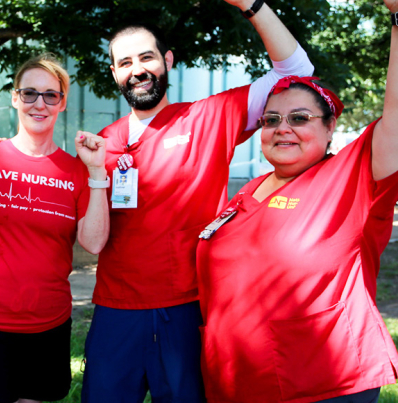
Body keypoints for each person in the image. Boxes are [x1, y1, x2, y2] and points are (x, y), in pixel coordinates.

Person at [196, 0, 398, 401]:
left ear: (330, 128)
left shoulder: (351, 178)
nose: (282, 128)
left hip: (318, 385)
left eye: (300, 118)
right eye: (271, 120)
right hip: (235, 383)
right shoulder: (247, 191)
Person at [79, 1, 315, 401]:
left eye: (147, 57)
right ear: (115, 73)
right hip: (117, 310)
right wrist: (98, 173)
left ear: (167, 60)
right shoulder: (102, 141)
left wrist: (252, 5)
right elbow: (92, 242)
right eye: (125, 62)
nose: (137, 69)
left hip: (190, 308)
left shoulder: (210, 117)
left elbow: (296, 72)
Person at [0, 55, 109, 403]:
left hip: (46, 321)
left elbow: (93, 244)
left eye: (51, 95)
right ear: (15, 98)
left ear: (62, 103)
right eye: (30, 93)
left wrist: (96, 173)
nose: (40, 103)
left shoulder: (76, 171)